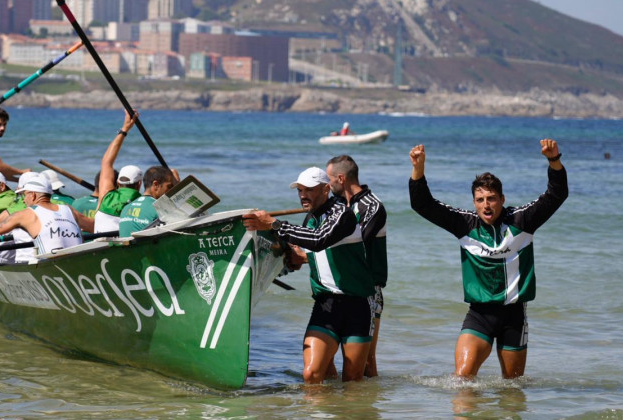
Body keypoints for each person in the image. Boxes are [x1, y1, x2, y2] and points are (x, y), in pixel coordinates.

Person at [408, 139, 568, 379]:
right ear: (474, 203)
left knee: (512, 393)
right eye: (481, 200)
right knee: (462, 379)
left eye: (491, 198)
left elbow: (556, 194)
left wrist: (553, 160)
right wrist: (418, 169)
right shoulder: (464, 224)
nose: (486, 205)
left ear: (502, 199)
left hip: (514, 316)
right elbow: (423, 204)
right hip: (479, 315)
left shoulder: (522, 221)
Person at [243, 167, 376, 383]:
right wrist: (291, 256)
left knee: (352, 380)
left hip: (358, 304)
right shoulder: (311, 219)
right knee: (312, 374)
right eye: (300, 190)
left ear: (325, 189)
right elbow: (311, 251)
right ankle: (316, 416)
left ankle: (348, 416)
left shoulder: (344, 214)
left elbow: (319, 239)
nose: (303, 195)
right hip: (326, 304)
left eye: (309, 190)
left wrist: (274, 224)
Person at [326, 155, 387, 378]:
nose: (328, 185)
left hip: (368, 290)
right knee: (327, 358)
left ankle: (364, 410)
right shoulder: (338, 204)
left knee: (366, 362)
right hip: (340, 287)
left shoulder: (373, 206)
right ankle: (337, 408)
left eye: (330, 180)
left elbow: (357, 244)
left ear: (341, 178)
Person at [0, 173, 96, 257]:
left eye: (25, 195)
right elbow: (96, 226)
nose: (24, 199)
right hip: (76, 261)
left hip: (50, 267)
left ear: (33, 195)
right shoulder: (69, 209)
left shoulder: (26, 214)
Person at [95, 110, 143, 232]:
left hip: (99, 247)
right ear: (139, 184)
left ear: (117, 182)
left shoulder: (106, 196)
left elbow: (106, 162)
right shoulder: (143, 203)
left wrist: (124, 129)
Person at [118, 166, 180, 237]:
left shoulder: (126, 208)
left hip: (125, 246)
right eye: (169, 187)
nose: (171, 191)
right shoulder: (160, 208)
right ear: (156, 185)